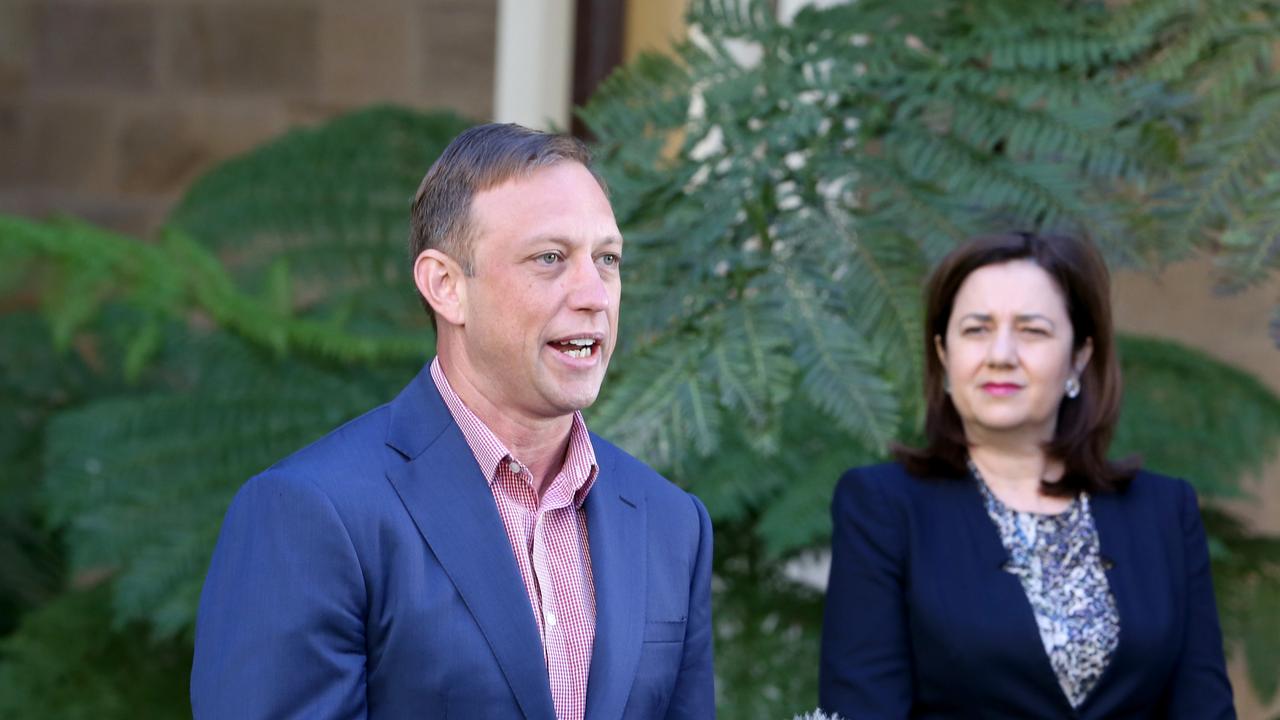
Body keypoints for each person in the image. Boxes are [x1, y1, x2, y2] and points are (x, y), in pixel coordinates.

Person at [191, 124, 715, 719]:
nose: (594, 293)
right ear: (445, 286)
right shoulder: (312, 512)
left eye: (607, 259)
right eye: (549, 258)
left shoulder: (672, 524)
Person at [819, 232, 1235, 719]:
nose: (1001, 354)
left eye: (1032, 330)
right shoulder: (883, 506)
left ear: (1079, 354)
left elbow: (1204, 709)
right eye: (976, 329)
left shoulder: (1164, 510)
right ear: (943, 354)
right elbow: (863, 708)